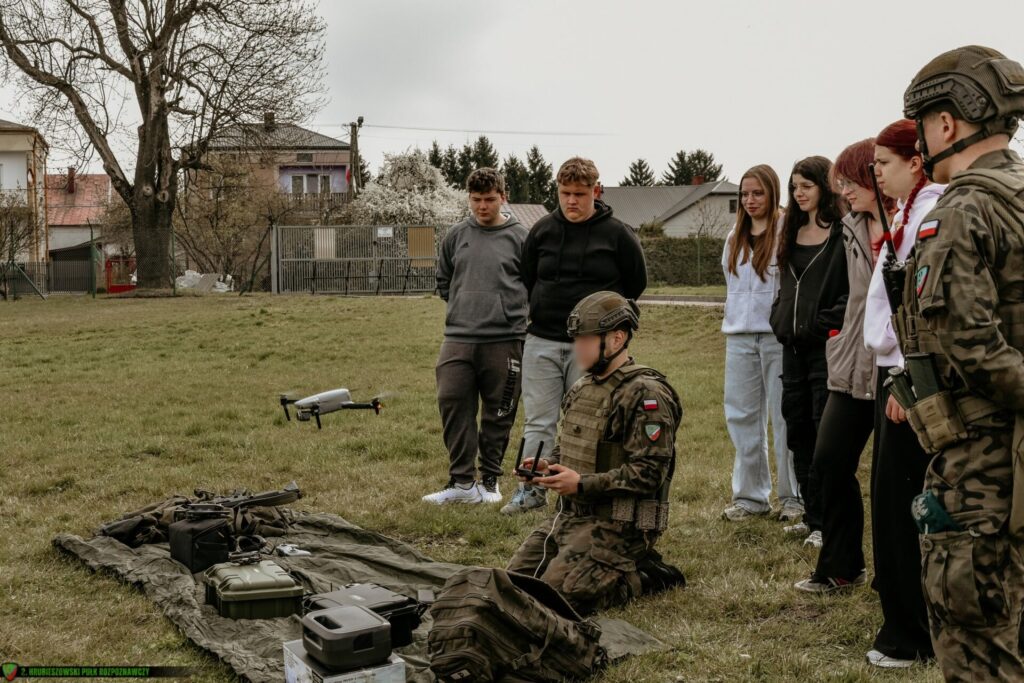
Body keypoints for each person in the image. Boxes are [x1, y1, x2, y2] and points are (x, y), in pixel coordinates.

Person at [893, 45, 1024, 679]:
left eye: (923, 126)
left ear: (946, 123)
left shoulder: (961, 212)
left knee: (977, 643)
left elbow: (972, 348)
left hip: (983, 461)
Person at [506, 291, 685, 614]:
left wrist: (581, 484)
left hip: (618, 526)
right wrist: (548, 465)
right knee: (511, 586)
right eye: (576, 339)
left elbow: (649, 473)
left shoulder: (646, 395)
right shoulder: (583, 387)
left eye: (586, 339)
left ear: (617, 338)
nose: (577, 347)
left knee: (557, 602)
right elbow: (572, 447)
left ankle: (644, 576)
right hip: (570, 517)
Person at [502, 158, 648, 515]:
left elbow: (636, 283)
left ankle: (584, 492)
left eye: (580, 194)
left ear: (596, 191)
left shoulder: (618, 234)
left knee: (588, 421)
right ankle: (530, 490)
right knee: (538, 420)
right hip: (542, 340)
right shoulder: (542, 231)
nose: (571, 201)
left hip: (593, 345)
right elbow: (528, 276)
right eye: (565, 193)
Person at [859, 119, 944, 668]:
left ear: (916, 162)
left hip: (906, 376)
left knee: (901, 506)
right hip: (894, 369)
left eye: (884, 164)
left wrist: (908, 377)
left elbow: (921, 306)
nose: (877, 174)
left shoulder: (931, 211)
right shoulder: (906, 213)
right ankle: (907, 618)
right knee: (892, 502)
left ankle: (911, 635)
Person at [794, 139, 886, 588]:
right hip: (852, 363)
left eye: (850, 182)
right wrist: (836, 336)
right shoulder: (851, 227)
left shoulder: (911, 222)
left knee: (893, 481)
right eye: (840, 184)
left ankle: (900, 579)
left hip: (895, 366)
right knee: (829, 460)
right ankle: (840, 568)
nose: (844, 192)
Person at [424, 168, 529, 505]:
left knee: (499, 411)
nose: (482, 206)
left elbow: (534, 284)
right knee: (452, 401)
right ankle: (462, 483)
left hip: (506, 339)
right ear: (468, 199)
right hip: (458, 337)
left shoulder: (521, 238)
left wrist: (506, 311)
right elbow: (444, 280)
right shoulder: (456, 235)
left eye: (489, 199)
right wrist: (464, 307)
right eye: (476, 200)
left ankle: (490, 482)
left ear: (503, 197)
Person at [769, 156, 848, 548]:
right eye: (794, 186)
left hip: (825, 348)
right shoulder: (790, 230)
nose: (799, 193)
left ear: (824, 187)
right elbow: (783, 287)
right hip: (792, 348)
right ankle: (810, 515)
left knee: (822, 432)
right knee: (797, 430)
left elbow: (850, 291)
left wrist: (822, 326)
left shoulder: (841, 233)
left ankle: (827, 523)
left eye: (807, 186)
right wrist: (779, 317)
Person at [719, 165, 801, 522]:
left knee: (785, 416)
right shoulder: (733, 238)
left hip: (776, 339)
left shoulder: (787, 233)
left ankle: (793, 498)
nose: (750, 201)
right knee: (742, 417)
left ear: (772, 193)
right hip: (738, 339)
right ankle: (750, 498)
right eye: (744, 194)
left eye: (757, 193)